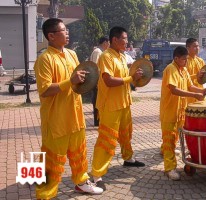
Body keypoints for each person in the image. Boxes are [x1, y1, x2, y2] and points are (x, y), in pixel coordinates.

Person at [34, 18, 103, 199]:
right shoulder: (44, 59)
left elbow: (79, 83)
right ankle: (45, 194)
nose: (67, 33)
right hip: (56, 119)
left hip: (75, 115)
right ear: (51, 36)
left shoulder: (72, 54)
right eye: (63, 30)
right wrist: (70, 81)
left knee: (79, 153)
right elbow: (45, 90)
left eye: (67, 30)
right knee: (51, 159)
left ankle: (81, 183)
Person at [91, 26, 145, 187]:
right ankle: (97, 174)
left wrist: (137, 78)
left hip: (124, 102)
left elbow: (127, 78)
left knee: (126, 133)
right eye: (125, 38)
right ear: (115, 40)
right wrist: (130, 79)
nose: (127, 42)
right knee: (107, 139)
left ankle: (128, 158)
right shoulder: (105, 56)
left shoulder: (122, 56)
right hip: (110, 106)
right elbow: (108, 80)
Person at [160, 46, 206, 181]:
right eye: (184, 59)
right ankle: (169, 168)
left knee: (175, 136)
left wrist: (202, 91)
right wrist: (195, 94)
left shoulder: (183, 70)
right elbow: (174, 90)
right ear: (176, 58)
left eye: (186, 59)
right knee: (169, 140)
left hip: (180, 110)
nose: (186, 62)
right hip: (169, 110)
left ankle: (169, 158)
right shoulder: (171, 69)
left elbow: (190, 86)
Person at [90, 36, 110, 126]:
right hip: (97, 81)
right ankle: (97, 121)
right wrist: (98, 82)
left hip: (99, 81)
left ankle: (100, 119)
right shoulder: (98, 52)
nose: (109, 45)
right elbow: (96, 68)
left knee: (99, 100)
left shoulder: (101, 52)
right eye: (108, 42)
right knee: (97, 101)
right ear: (105, 42)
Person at [185, 38, 206, 104]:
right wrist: (196, 76)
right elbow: (182, 78)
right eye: (194, 46)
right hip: (188, 95)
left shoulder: (201, 61)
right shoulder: (184, 61)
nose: (197, 48)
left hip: (200, 93)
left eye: (198, 46)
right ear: (188, 48)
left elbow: (203, 77)